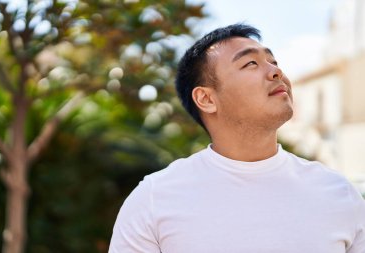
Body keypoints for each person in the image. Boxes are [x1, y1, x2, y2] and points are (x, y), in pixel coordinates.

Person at [108, 23, 365, 253]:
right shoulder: (155, 199)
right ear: (206, 99)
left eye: (273, 62)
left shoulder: (339, 193)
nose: (276, 72)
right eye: (250, 63)